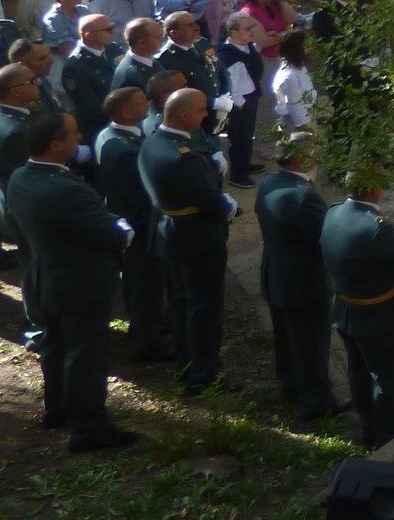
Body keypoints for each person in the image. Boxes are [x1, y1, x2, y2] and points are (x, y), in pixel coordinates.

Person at [9, 111, 139, 451]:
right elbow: (110, 233)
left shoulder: (20, 176)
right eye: (73, 133)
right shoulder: (65, 189)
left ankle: (58, 408)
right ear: (56, 145)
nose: (79, 137)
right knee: (86, 355)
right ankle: (89, 428)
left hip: (45, 275)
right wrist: (123, 229)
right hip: (81, 282)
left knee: (55, 345)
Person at [138, 88, 236, 394]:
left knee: (181, 301)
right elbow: (210, 200)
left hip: (170, 231)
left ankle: (187, 360)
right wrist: (230, 208)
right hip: (197, 238)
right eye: (202, 110)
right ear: (184, 116)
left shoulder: (153, 141)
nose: (206, 114)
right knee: (204, 307)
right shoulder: (184, 158)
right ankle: (206, 372)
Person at [322, 172, 394, 448]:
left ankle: (367, 428)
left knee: (358, 373)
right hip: (381, 316)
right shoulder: (379, 228)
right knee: (387, 379)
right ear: (374, 189)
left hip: (346, 310)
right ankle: (389, 438)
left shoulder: (332, 213)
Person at [255, 132, 343, 420]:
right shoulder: (304, 196)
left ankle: (291, 384)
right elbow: (324, 241)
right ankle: (317, 400)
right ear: (303, 159)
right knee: (311, 342)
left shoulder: (268, 182)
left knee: (285, 335)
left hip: (275, 273)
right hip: (304, 282)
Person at [94, 87, 166, 361]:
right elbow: (139, 194)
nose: (147, 103)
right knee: (145, 283)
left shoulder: (112, 135)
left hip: (129, 219)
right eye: (140, 102)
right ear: (126, 112)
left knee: (138, 280)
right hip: (140, 224)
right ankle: (149, 343)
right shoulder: (123, 149)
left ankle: (145, 326)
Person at [217, 12, 268, 187]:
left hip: (250, 95)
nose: (252, 31)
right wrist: (240, 103)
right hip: (239, 101)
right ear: (234, 32)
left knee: (247, 135)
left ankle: (245, 164)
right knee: (238, 138)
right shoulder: (228, 54)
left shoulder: (246, 46)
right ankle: (237, 175)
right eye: (247, 29)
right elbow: (230, 84)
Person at [60, 14, 118, 141]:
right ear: (89, 36)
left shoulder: (112, 49)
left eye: (112, 27)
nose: (113, 32)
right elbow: (91, 109)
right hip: (100, 131)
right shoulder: (75, 67)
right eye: (108, 30)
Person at [271, 30, 319, 131]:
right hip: (299, 122)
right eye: (306, 45)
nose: (310, 47)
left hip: (307, 113)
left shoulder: (298, 66)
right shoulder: (290, 77)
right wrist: (305, 127)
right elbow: (295, 105)